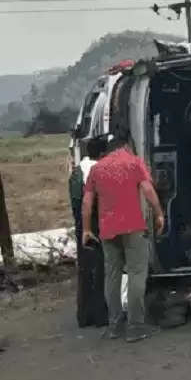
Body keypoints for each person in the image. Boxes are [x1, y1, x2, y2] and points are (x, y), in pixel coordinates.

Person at [82, 136, 165, 343]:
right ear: (126, 146)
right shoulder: (134, 162)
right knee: (137, 273)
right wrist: (159, 213)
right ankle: (136, 326)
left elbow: (87, 201)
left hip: (108, 230)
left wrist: (86, 229)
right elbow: (147, 189)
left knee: (112, 277)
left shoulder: (97, 169)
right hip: (133, 227)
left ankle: (115, 326)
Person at [69, 137, 108, 328]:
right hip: (93, 225)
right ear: (102, 154)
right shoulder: (96, 170)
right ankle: (100, 316)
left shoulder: (77, 171)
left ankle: (84, 316)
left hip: (80, 225)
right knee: (100, 270)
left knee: (85, 270)